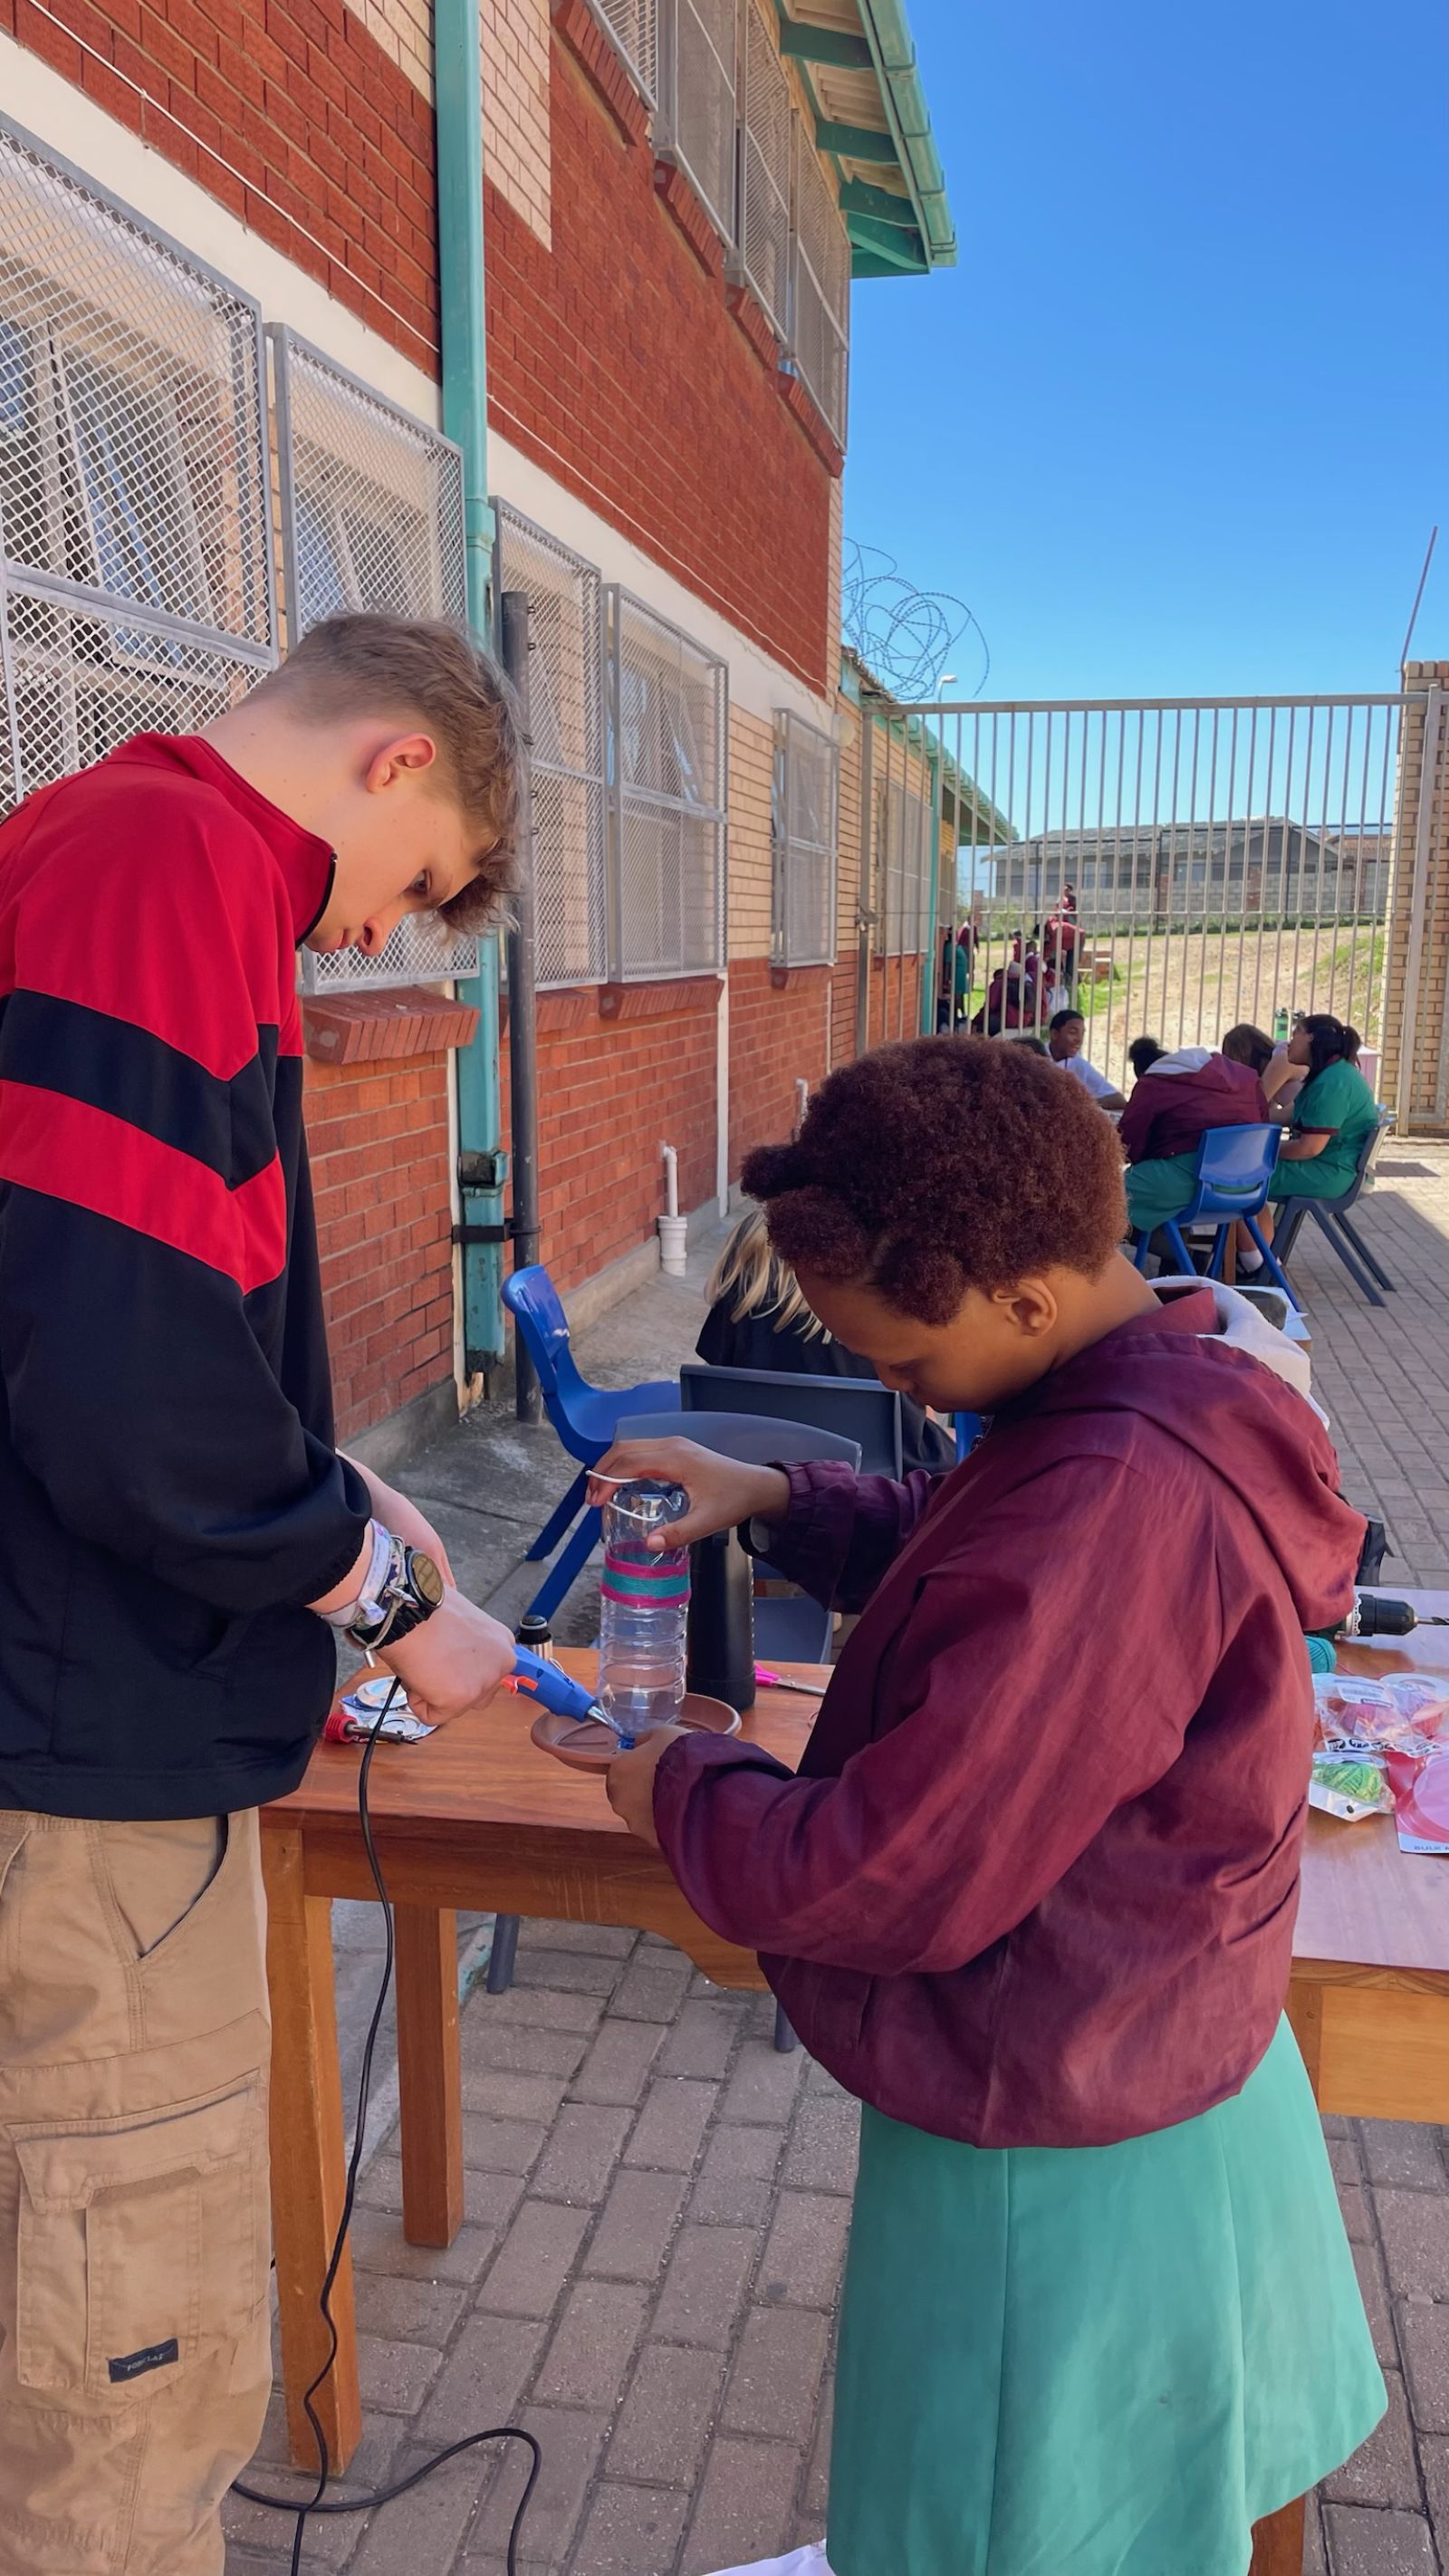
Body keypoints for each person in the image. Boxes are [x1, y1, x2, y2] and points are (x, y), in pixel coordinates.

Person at [593, 1037, 1383, 2576]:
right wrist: (778, 1493)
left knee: (1010, 2527)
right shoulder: (1147, 1381)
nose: (898, 1391)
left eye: (903, 1365)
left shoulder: (1114, 1500)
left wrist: (676, 1780)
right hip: (1146, 2045)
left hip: (1061, 2122)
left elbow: (892, 1868)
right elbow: (985, 1545)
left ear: (1021, 1301)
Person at [0, 613, 524, 2562]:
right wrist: (386, 1603)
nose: (377, 933)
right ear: (398, 758)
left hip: (70, 1705)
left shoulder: (112, 852)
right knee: (118, 2389)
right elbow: (127, 1383)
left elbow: (117, 1299)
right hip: (79, 1752)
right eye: (416, 882)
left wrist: (336, 1476)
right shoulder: (173, 860)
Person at [698, 1207, 955, 1474]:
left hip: (756, 1464)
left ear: (736, 1262)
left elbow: (712, 1399)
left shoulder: (732, 1315)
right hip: (885, 1473)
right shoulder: (870, 1332)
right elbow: (914, 1428)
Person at [1252, 1012, 1378, 1254]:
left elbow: (1308, 1148)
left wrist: (1261, 1151)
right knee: (1241, 1171)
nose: (1289, 1041)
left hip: (1330, 1173)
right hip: (1337, 1169)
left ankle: (1255, 1260)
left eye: (1295, 1033)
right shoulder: (1335, 1073)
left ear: (1311, 1038)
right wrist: (1245, 1116)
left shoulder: (1332, 1083)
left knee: (1239, 1176)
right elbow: (1289, 1115)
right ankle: (1255, 1256)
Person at [1118, 1039, 1269, 1237]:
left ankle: (1161, 1247)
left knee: (1105, 1191)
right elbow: (1264, 1120)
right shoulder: (1245, 1078)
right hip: (1249, 1184)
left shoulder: (1154, 1083)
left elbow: (1127, 1143)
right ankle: (1248, 1255)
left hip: (1193, 1185)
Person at [1046, 1006, 1127, 1111]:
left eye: (1082, 1034)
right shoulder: (1035, 1055)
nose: (1079, 1040)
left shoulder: (1079, 1065)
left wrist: (1082, 1104)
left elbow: (1118, 1099)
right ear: (1054, 1034)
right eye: (1073, 1032)